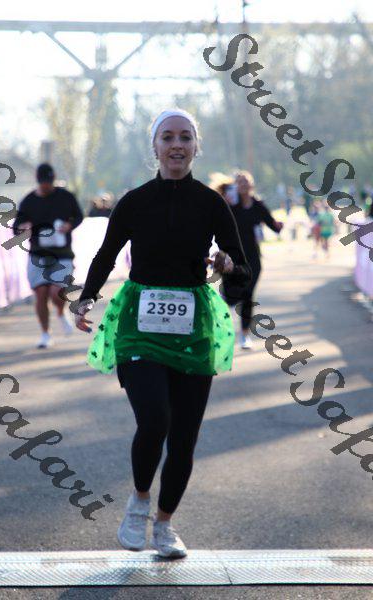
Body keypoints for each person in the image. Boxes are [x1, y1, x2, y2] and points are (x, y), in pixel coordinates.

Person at [75, 109, 251, 558]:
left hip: (193, 327)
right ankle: (138, 503)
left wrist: (228, 264)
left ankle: (165, 525)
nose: (177, 145)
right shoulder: (134, 201)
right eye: (168, 137)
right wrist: (87, 297)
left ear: (196, 146)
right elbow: (106, 254)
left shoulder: (211, 203)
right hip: (140, 322)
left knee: (184, 437)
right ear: (154, 147)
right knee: (155, 420)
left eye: (185, 137)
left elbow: (240, 267)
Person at [13, 163, 84, 348]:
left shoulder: (66, 196)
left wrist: (69, 225)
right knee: (41, 294)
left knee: (56, 292)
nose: (47, 186)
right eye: (44, 183)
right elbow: (17, 226)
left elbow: (78, 216)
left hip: (62, 254)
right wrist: (23, 228)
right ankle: (45, 333)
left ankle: (60, 312)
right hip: (38, 254)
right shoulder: (29, 201)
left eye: (49, 183)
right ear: (38, 181)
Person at [223, 170, 283, 350]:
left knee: (248, 295)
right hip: (232, 259)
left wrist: (279, 225)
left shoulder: (258, 206)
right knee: (231, 297)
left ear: (251, 185)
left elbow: (273, 226)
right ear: (235, 186)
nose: (243, 184)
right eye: (239, 182)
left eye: (246, 181)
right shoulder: (231, 205)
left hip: (253, 259)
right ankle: (225, 306)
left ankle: (244, 335)